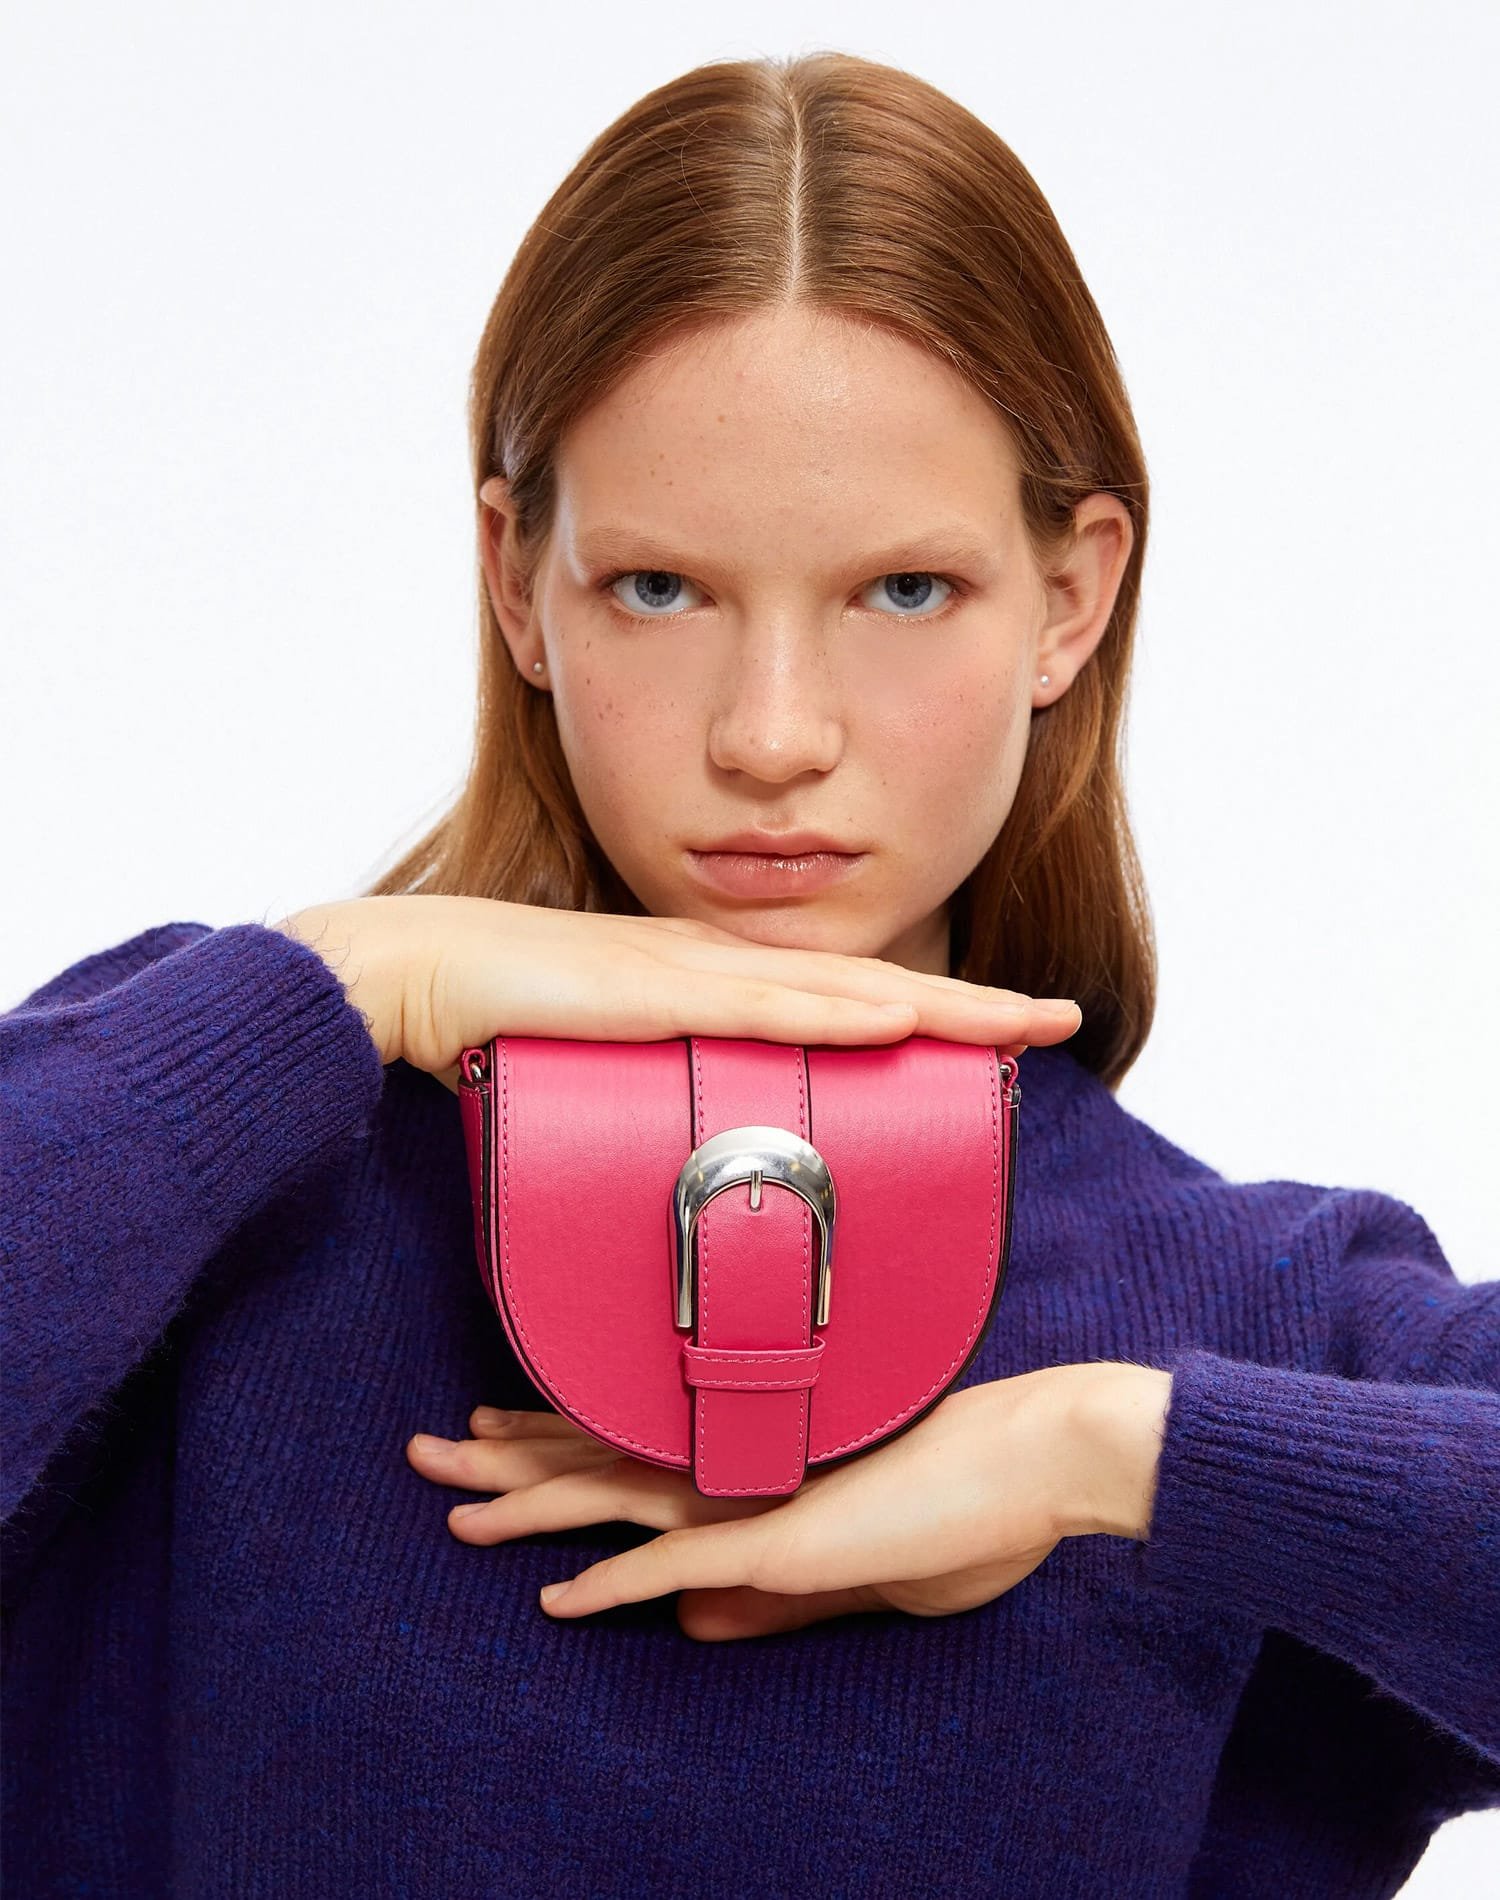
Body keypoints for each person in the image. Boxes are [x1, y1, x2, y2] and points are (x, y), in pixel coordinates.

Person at [3, 46, 1495, 1900]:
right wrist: (340, 984)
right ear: (515, 581)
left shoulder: (1256, 1317)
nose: (773, 736)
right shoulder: (215, 1169)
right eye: (659, 588)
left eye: (902, 591)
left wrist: (1113, 1449)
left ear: (1073, 596)